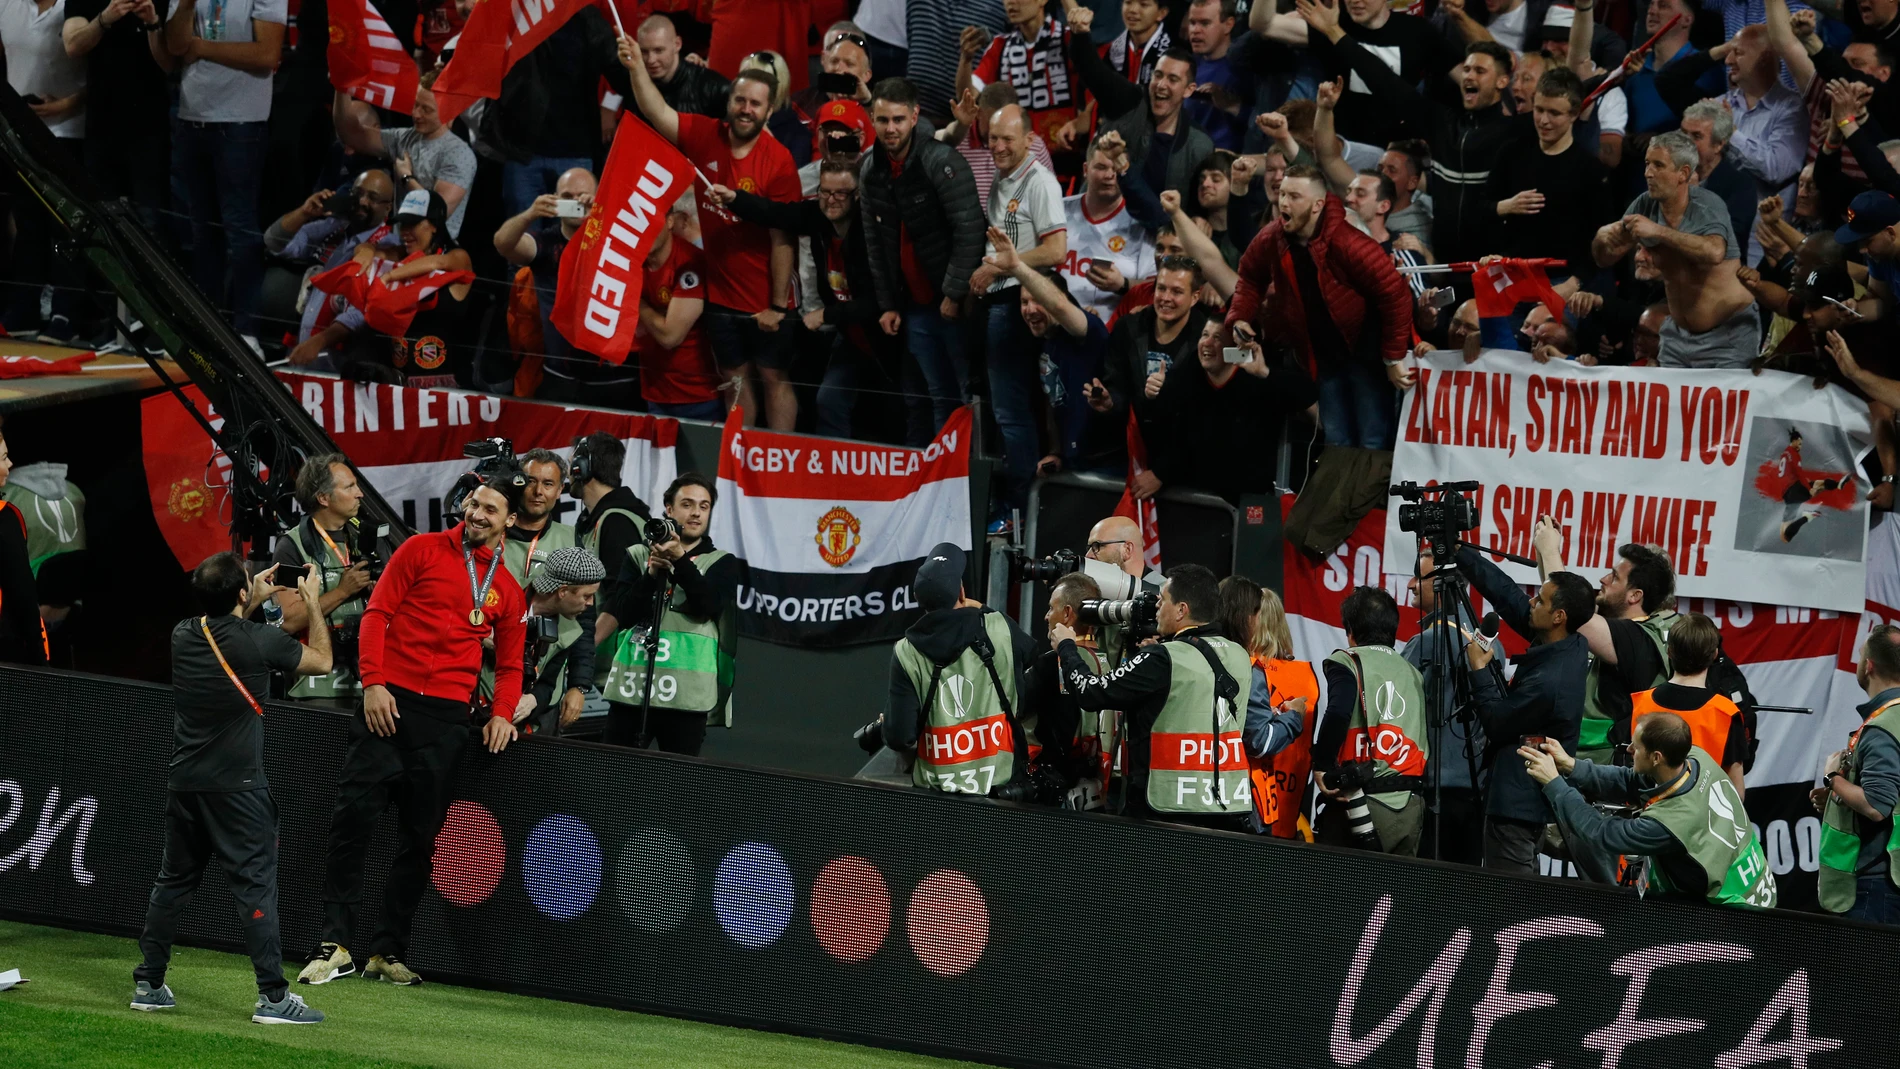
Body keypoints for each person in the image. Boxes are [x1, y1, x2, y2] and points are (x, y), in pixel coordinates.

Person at [298, 474, 527, 988]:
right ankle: (336, 944)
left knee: (420, 843)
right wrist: (374, 685)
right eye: (474, 504)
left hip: (446, 722)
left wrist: (501, 713)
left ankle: (386, 951)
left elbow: (511, 666)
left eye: (490, 509)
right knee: (350, 826)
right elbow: (377, 614)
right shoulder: (420, 550)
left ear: (509, 521)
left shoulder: (507, 590)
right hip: (388, 705)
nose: (478, 514)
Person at [132, 554, 331, 1023]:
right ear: (242, 594)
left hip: (185, 782)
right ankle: (274, 999)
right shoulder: (259, 640)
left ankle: (149, 982)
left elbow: (226, 629)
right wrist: (314, 603)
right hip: (238, 791)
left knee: (172, 882)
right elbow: (321, 659)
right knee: (255, 890)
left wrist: (247, 600)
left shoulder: (184, 633)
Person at [618, 34, 801, 430]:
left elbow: (782, 237)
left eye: (755, 104)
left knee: (774, 378)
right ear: (729, 102)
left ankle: (779, 456)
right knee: (736, 382)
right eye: (740, 100)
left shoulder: (780, 161)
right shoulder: (706, 135)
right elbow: (657, 111)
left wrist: (777, 305)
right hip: (719, 295)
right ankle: (737, 457)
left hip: (764, 299)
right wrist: (635, 68)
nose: (746, 109)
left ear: (770, 111)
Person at [1300, 0, 1513, 268]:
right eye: (1467, 69)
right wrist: (1334, 32)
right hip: (1442, 267)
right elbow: (1382, 79)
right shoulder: (1441, 123)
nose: (1469, 76)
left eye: (1480, 71)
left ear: (1502, 81)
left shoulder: (1514, 133)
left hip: (1494, 265)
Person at [1225, 165, 1411, 450]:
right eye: (1282, 194)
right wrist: (1240, 317)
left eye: (1294, 196)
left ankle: (1370, 496)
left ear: (1317, 205)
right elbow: (1250, 276)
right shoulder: (1272, 237)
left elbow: (1395, 294)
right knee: (1337, 442)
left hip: (1366, 356)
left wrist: (1393, 358)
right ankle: (1341, 495)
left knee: (1373, 441)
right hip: (1323, 356)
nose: (1283, 203)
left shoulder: (1349, 242)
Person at [1055, 563, 1254, 828]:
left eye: (1162, 600)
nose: (1156, 606)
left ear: (1182, 610)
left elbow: (1091, 693)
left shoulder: (1164, 658)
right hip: (1226, 805)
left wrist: (1067, 648)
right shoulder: (1239, 654)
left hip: (1165, 808)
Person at [707, 160, 886, 438]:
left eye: (840, 193)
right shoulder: (819, 216)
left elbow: (879, 300)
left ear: (858, 195)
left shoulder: (871, 232)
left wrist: (826, 315)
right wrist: (734, 198)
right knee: (829, 402)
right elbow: (775, 213)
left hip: (886, 338)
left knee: (898, 406)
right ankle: (830, 470)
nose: (831, 200)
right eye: (825, 192)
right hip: (851, 337)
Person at [1526, 713, 1777, 908]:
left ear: (1656, 757)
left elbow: (1600, 833)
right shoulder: (1693, 758)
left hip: (1734, 908)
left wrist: (1554, 783)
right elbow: (1631, 781)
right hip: (1754, 880)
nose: (1629, 750)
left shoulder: (1667, 824)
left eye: (1636, 746)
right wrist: (1571, 766)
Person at [858, 76, 985, 446]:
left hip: (955, 305)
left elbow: (970, 229)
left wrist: (954, 292)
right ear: (872, 120)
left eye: (898, 119)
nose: (890, 128)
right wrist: (887, 304)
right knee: (936, 395)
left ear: (914, 116)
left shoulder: (942, 160)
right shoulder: (870, 170)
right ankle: (942, 474)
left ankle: (974, 476)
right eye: (883, 120)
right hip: (914, 305)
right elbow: (875, 245)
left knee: (968, 394)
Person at [1459, 547, 1595, 875]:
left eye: (1541, 600)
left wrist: (1479, 669)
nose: (1531, 602)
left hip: (1515, 812)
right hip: (1523, 803)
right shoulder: (1569, 641)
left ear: (1559, 616)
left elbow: (1495, 722)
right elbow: (1509, 596)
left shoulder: (1551, 682)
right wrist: (1461, 553)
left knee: (1509, 908)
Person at [161, 0, 285, 348]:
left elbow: (266, 54)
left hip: (241, 121)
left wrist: (202, 47)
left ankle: (247, 331)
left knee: (240, 231)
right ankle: (208, 329)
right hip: (191, 117)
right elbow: (174, 46)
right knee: (201, 234)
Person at [973, 104, 1068, 530]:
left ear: (1029, 139)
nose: (998, 146)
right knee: (1007, 410)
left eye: (1007, 138)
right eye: (993, 138)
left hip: (1020, 301)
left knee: (1012, 412)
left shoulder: (1039, 182)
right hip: (1001, 300)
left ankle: (1018, 509)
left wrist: (999, 266)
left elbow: (1056, 250)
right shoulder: (1002, 177)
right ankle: (1015, 504)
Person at [598, 474, 740, 756]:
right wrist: (651, 574)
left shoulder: (721, 562)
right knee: (611, 780)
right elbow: (623, 616)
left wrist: (680, 560)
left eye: (704, 506)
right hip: (631, 692)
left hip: (686, 698)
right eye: (687, 504)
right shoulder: (639, 555)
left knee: (674, 790)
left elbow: (709, 605)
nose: (696, 512)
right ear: (669, 509)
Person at [1591, 132, 1760, 370]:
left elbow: (1714, 252)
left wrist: (1658, 232)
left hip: (1727, 335)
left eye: (1658, 165)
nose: (1648, 173)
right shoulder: (1645, 204)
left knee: (1723, 408)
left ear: (1683, 173)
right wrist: (1601, 239)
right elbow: (1605, 258)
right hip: (1676, 336)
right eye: (1647, 163)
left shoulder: (1708, 204)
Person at [878, 542, 1035, 795]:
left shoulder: (906, 651)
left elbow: (898, 736)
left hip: (937, 800)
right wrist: (983, 610)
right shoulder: (1000, 627)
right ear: (962, 593)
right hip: (1003, 794)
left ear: (919, 599)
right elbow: (1033, 660)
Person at [1529, 519, 1676, 767]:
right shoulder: (1610, 623)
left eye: (1615, 577)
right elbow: (1563, 610)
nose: (1604, 579)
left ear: (1635, 595)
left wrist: (1550, 551)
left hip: (1603, 779)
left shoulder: (1641, 641)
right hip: (1570, 763)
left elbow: (1569, 610)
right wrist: (1544, 550)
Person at [495, 168, 640, 408]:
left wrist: (605, 215)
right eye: (568, 197)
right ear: (555, 199)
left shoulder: (620, 241)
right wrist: (530, 214)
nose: (576, 203)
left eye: (583, 196)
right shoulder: (545, 244)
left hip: (617, 377)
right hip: (561, 377)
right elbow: (503, 243)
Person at [1307, 587, 1428, 854]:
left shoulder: (1347, 660)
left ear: (1350, 630)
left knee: (1341, 891)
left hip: (1360, 800)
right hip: (1409, 805)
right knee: (1390, 894)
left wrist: (1322, 765)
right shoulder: (1412, 672)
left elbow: (1338, 712)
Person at [1150, 317, 1316, 504]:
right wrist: (1153, 393)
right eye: (1205, 335)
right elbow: (1172, 430)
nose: (1207, 343)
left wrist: (1264, 373)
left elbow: (1308, 394)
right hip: (1201, 495)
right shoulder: (1190, 372)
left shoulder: (1257, 380)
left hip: (1252, 497)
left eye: (1218, 337)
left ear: (1235, 348)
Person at [1402, 549, 1489, 865]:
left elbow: (1394, 712)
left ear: (1440, 582)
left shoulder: (1425, 642)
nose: (1411, 584)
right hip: (1477, 795)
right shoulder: (1491, 643)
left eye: (1418, 576)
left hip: (1432, 794)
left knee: (1423, 896)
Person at [1488, 67, 1613, 282]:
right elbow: (1480, 210)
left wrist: (1574, 284)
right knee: (1469, 313)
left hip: (1561, 279)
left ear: (1574, 114)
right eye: (1539, 110)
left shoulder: (1591, 170)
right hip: (1508, 274)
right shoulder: (1510, 153)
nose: (1544, 121)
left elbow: (1600, 241)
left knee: (1539, 317)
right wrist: (1505, 206)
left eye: (1554, 113)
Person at [271, 454, 375, 703]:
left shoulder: (371, 537)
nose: (360, 493)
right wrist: (342, 591)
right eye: (349, 487)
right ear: (324, 498)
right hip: (318, 688)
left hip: (372, 683)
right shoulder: (291, 546)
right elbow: (289, 621)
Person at [1100, 253, 1209, 487]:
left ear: (1195, 297)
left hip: (1187, 471)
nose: (1166, 298)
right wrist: (1110, 402)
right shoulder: (1128, 327)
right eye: (1161, 289)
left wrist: (1162, 473)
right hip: (1129, 458)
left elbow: (1204, 419)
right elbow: (1116, 385)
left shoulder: (1207, 341)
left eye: (1177, 292)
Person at [1067, 30, 1212, 202]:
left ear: (1189, 89)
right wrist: (1080, 34)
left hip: (1157, 225)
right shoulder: (1129, 101)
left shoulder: (1199, 145)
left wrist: (1199, 218)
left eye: (1172, 79)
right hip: (1098, 219)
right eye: (1158, 75)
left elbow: (1198, 201)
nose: (1161, 85)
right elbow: (1092, 70)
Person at [1817, 623, 1900, 922]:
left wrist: (1833, 778)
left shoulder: (1882, 729)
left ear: (1869, 666)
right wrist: (1837, 796)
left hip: (1879, 885)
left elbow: (1877, 806)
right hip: (1890, 879)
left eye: (1861, 654)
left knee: (1867, 970)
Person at [330, 71, 478, 239]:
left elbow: (437, 214)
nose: (416, 114)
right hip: (397, 242)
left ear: (449, 111)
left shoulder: (459, 154)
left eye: (426, 109)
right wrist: (341, 89)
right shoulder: (404, 137)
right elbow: (351, 134)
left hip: (432, 251)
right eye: (415, 105)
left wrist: (406, 177)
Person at [62, 0, 168, 234]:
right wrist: (104, 19)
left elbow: (171, 64)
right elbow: (72, 46)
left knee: (151, 221)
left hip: (150, 125)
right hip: (101, 124)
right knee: (101, 219)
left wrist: (152, 23)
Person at [1219, 576, 1314, 835]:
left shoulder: (1207, 657)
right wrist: (1291, 717)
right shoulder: (1300, 678)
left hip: (1217, 793)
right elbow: (1261, 739)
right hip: (1259, 799)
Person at [1630, 612, 1749, 799]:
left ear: (1668, 651)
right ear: (1715, 655)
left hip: (1650, 816)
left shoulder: (1641, 702)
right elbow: (1736, 792)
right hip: (1703, 821)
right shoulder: (1726, 713)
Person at [1023, 571, 1109, 805]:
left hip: (1051, 791)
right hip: (1098, 788)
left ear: (1068, 614)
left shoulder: (1051, 663)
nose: (1045, 616)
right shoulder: (1108, 661)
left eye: (1051, 608)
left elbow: (1013, 709)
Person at [634, 203, 721, 420]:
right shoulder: (631, 264)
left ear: (670, 221)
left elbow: (670, 335)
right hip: (654, 393)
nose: (646, 230)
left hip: (697, 396)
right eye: (640, 223)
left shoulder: (690, 263)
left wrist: (634, 300)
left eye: (653, 222)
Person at [967, 0, 1084, 158]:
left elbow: (1082, 28)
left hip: (1067, 162)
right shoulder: (999, 47)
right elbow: (968, 96)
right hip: (1017, 165)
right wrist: (965, 60)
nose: (1011, 2)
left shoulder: (1068, 39)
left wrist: (1078, 124)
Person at [1059, 137, 1154, 323]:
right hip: (1057, 327)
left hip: (1114, 332)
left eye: (1115, 169)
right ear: (1086, 170)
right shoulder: (1058, 211)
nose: (1109, 175)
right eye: (1101, 167)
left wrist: (1122, 284)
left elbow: (1156, 287)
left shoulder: (1141, 222)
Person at [515, 546, 605, 735]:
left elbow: (548, 683)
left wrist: (532, 700)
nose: (590, 603)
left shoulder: (569, 630)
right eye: (586, 596)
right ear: (562, 591)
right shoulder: (505, 598)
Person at [569, 432, 649, 625]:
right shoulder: (597, 519)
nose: (568, 474)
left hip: (609, 650)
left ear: (581, 468)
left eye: (570, 465)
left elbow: (619, 599)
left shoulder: (616, 521)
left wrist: (588, 648)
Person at [936, 79, 1058, 204]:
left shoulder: (1033, 145)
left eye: (1005, 125)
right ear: (978, 113)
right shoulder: (959, 139)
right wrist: (960, 125)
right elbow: (945, 139)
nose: (999, 145)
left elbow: (1050, 199)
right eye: (992, 123)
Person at [622, 13, 730, 125]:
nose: (651, 60)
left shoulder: (713, 87)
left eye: (658, 50)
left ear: (677, 44)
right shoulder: (634, 80)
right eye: (644, 51)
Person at [0, 431, 48, 666]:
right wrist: (41, 662)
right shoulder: (5, 519)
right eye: (3, 458)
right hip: (9, 655)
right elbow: (24, 597)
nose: (10, 464)